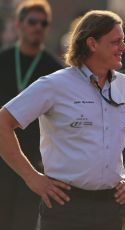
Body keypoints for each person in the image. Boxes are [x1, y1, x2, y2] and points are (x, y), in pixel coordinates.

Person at [0, 9, 125, 230]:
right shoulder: (54, 84)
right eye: (116, 42)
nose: (124, 48)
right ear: (92, 44)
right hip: (64, 206)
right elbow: (3, 123)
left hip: (112, 206)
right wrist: (32, 178)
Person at [0, 1, 62, 229]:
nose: (38, 27)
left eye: (43, 23)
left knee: (24, 223)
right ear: (18, 25)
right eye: (32, 22)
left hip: (35, 162)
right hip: (2, 153)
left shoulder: (55, 69)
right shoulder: (3, 59)